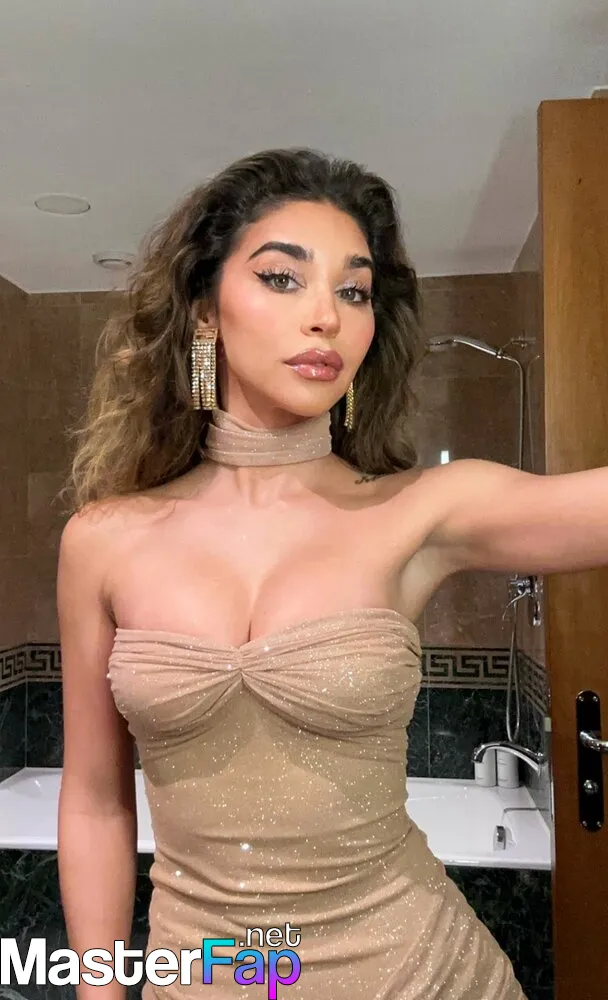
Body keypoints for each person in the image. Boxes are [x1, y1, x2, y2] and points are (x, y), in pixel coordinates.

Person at [56, 147, 606, 999]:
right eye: (282, 279)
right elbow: (94, 800)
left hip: (423, 977)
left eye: (354, 292)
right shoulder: (104, 540)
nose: (326, 317)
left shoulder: (420, 511)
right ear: (205, 311)